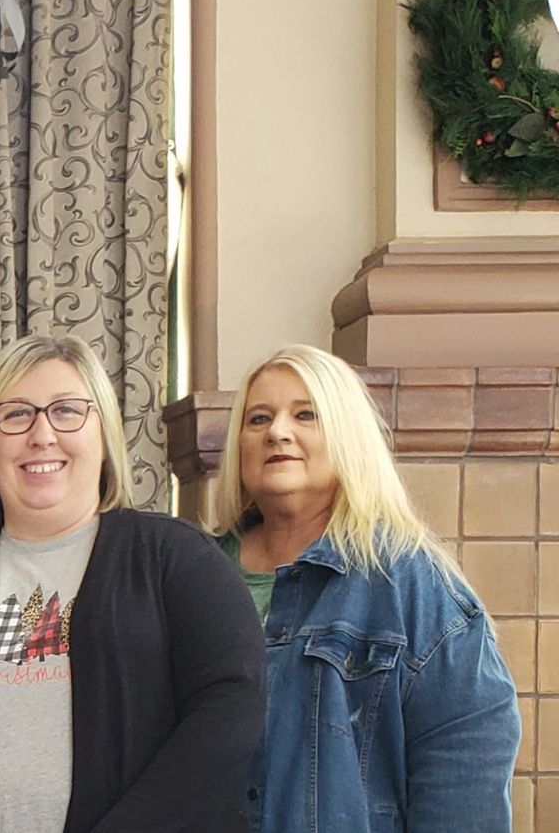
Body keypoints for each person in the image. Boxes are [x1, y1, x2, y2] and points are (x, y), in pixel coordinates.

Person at [0, 334, 265, 832]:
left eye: (67, 411)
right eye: (17, 414)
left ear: (105, 436)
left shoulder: (179, 561)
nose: (41, 435)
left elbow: (228, 713)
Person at [211, 344, 519, 831]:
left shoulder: (411, 582)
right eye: (258, 419)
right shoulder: (194, 572)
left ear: (348, 435)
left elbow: (464, 759)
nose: (278, 432)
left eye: (306, 414)